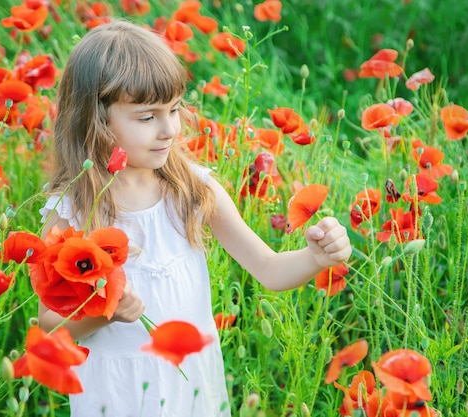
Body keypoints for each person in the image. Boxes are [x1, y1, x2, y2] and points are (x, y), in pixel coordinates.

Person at [37, 19, 353, 417]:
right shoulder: (72, 210)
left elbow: (269, 269)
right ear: (96, 121)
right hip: (115, 392)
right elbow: (51, 325)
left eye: (173, 109)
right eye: (147, 117)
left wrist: (317, 258)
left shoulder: (192, 189)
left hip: (192, 386)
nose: (169, 128)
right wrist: (102, 311)